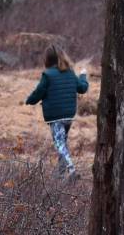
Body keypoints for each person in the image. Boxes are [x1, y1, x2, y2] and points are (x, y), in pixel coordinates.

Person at [24, 45, 88, 180]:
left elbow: (39, 92)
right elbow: (82, 88)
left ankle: (71, 171)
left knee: (59, 144)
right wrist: (83, 75)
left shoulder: (47, 75)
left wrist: (29, 100)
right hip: (69, 116)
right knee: (62, 142)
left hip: (55, 117)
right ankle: (60, 172)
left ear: (47, 59)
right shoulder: (70, 73)